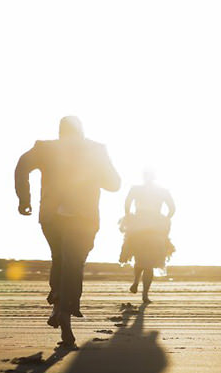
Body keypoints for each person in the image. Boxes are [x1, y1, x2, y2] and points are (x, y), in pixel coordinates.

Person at [15, 116, 120, 348]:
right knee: (73, 262)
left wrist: (24, 199)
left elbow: (22, 165)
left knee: (61, 258)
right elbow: (114, 184)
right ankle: (65, 310)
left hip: (52, 216)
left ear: (60, 131)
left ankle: (58, 300)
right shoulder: (96, 150)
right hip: (83, 217)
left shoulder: (45, 148)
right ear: (82, 131)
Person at [119, 170, 175, 303]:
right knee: (150, 263)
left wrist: (129, 217)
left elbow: (127, 204)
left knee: (139, 256)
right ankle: (145, 294)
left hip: (139, 224)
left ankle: (136, 282)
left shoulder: (135, 189)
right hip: (156, 227)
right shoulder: (163, 191)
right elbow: (172, 208)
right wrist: (165, 219)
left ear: (143, 177)